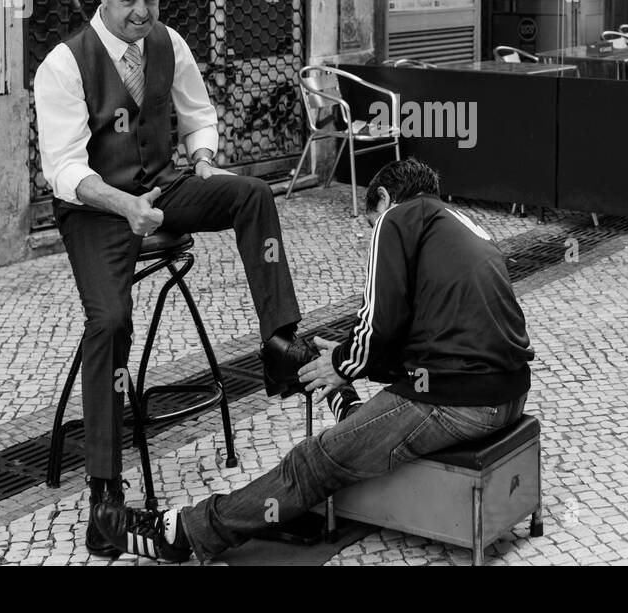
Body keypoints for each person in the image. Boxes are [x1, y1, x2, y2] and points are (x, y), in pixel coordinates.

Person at [94, 157, 535, 563]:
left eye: (369, 222)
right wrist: (347, 361)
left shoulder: (397, 219)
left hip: (457, 402)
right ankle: (351, 413)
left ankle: (184, 533)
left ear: (382, 198)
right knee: (361, 417)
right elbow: (417, 332)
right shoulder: (458, 223)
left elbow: (379, 324)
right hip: (508, 393)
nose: (371, 232)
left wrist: (341, 364)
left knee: (311, 462)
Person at [33, 0, 316, 557]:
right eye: (129, 0)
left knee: (251, 197)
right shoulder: (63, 65)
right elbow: (61, 169)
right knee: (109, 321)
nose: (142, 12)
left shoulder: (170, 44)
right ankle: (104, 495)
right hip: (95, 206)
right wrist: (125, 205)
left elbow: (198, 114)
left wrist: (206, 160)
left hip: (164, 185)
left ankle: (277, 344)